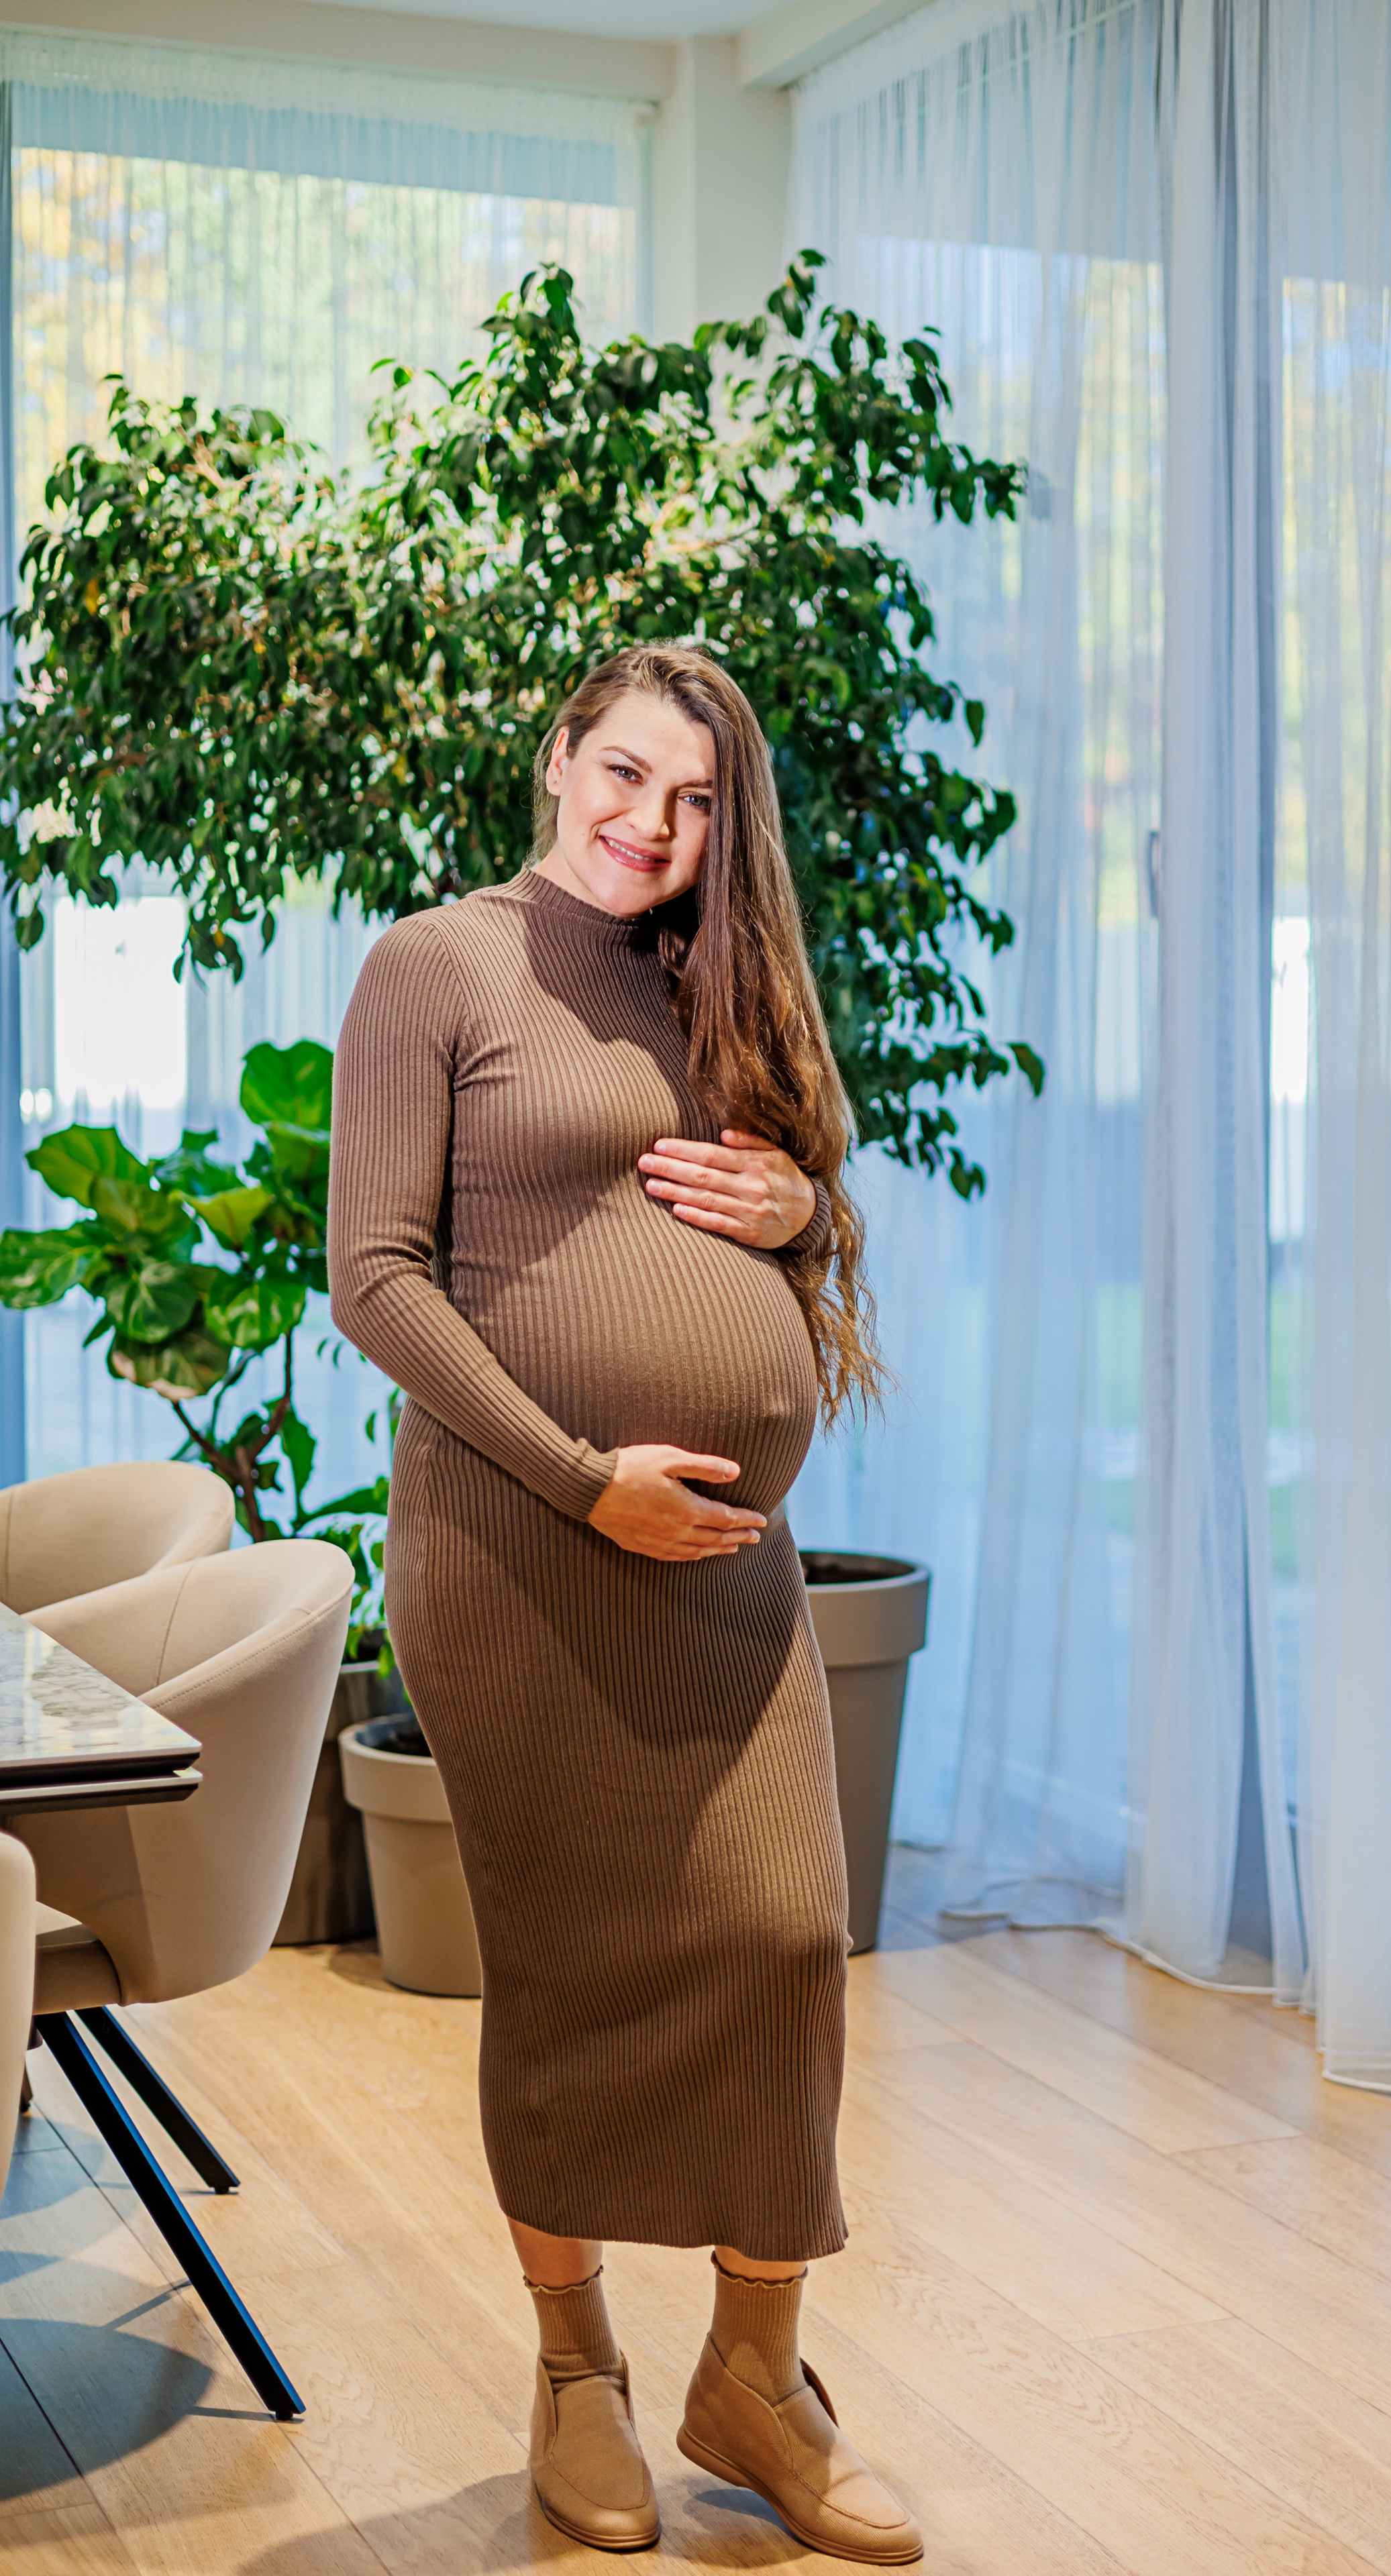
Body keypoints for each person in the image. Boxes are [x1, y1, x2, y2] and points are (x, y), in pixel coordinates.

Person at [327, 642, 920, 2563]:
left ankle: (755, 2380)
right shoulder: (437, 967)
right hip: (516, 1561)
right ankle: (575, 2373)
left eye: (692, 808)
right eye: (625, 778)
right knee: (572, 1974)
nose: (650, 831)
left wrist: (808, 1214)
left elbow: (787, 1197)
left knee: (780, 1941)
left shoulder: (713, 978)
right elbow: (379, 1279)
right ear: (559, 750)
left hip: (721, 1580)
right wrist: (587, 1481)